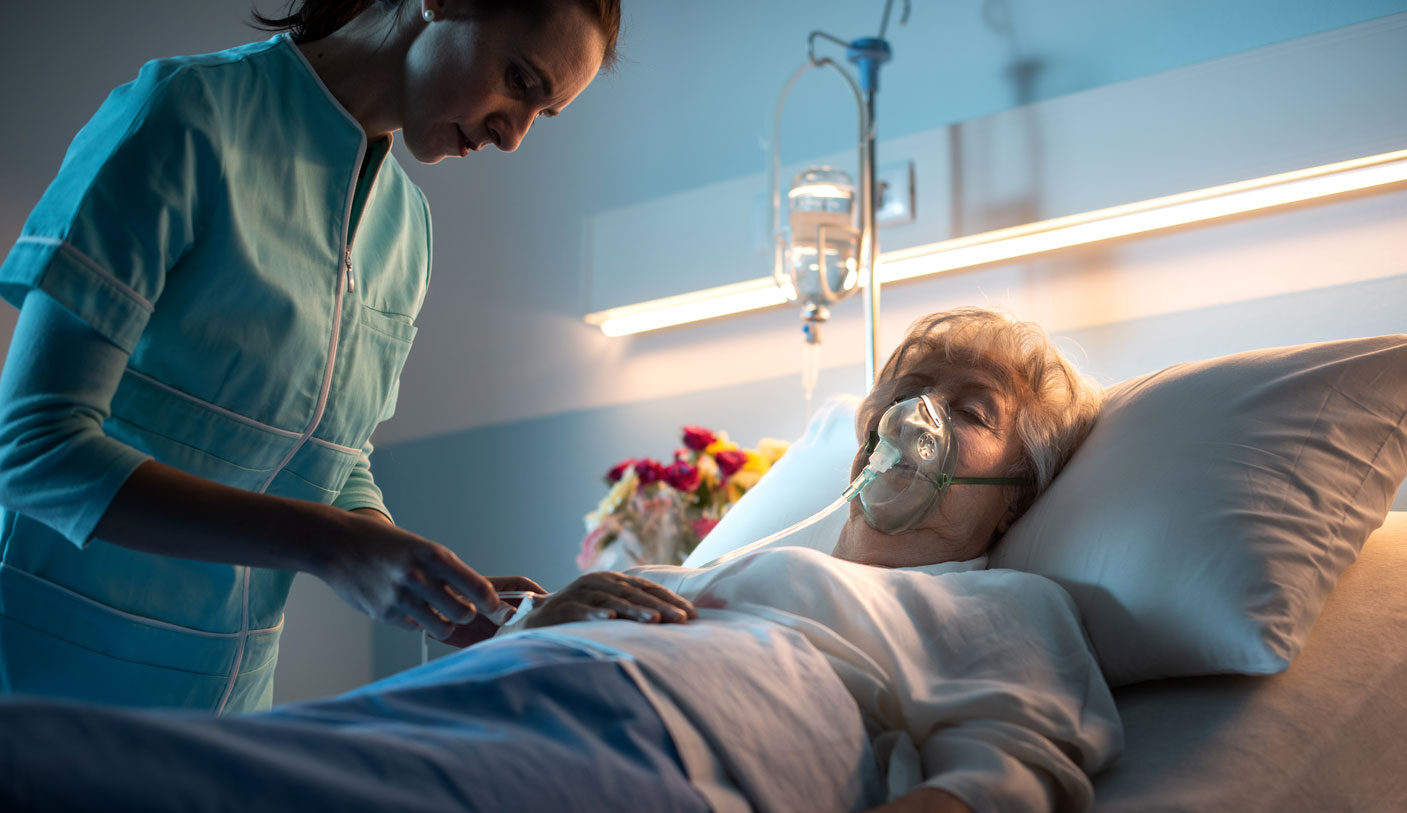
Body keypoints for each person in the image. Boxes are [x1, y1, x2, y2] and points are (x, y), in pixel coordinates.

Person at [0, 307, 1119, 812]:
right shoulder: (724, 564)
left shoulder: (1006, 607)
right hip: (503, 684)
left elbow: (1010, 773)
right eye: (904, 399)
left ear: (1017, 489)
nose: (916, 420)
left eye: (969, 410)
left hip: (669, 744)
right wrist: (549, 614)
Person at [0, 0, 692, 715]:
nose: (512, 135)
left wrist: (455, 598)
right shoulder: (184, 115)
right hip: (43, 692)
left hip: (225, 711)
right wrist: (330, 546)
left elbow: (334, 456)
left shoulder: (406, 230)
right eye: (518, 79)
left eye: (540, 114)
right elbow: (32, 450)